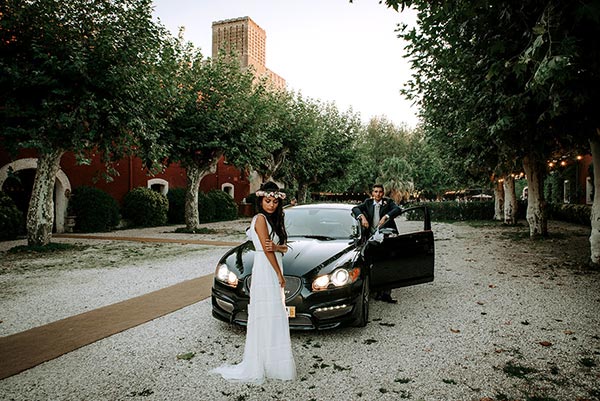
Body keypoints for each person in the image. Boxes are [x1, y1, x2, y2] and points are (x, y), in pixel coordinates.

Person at [211, 182, 296, 383]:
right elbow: (267, 250)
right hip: (266, 268)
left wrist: (278, 247)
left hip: (273, 263)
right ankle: (262, 360)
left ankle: (273, 360)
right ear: (260, 200)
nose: (272, 205)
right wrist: (279, 274)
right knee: (266, 312)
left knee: (275, 313)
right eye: (268, 201)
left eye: (275, 202)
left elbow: (282, 247)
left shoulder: (275, 219)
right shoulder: (259, 219)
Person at [352, 184, 402, 304]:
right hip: (371, 239)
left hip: (386, 238)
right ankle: (375, 290)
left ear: (383, 193)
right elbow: (355, 209)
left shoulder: (388, 202)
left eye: (380, 192)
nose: (378, 194)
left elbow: (398, 209)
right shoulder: (368, 203)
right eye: (375, 192)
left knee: (387, 265)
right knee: (373, 264)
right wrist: (362, 217)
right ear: (372, 193)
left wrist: (386, 216)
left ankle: (386, 294)